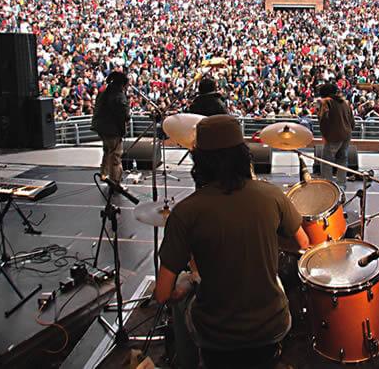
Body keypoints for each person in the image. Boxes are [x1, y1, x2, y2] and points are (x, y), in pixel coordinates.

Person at [155, 115, 310, 369]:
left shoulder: (185, 212)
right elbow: (303, 242)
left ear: (199, 160)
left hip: (216, 336)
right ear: (243, 155)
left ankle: (186, 363)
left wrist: (187, 281)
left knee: (182, 300)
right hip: (271, 327)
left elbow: (162, 294)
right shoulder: (271, 195)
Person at [91, 71, 130, 185]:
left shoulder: (104, 92)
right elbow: (125, 115)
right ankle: (115, 181)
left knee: (107, 150)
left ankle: (104, 174)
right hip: (112, 129)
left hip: (101, 127)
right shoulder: (119, 96)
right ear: (122, 84)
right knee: (115, 156)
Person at [317, 82, 355, 188]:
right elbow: (352, 120)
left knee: (326, 160)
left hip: (333, 135)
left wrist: (324, 135)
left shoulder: (326, 102)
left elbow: (323, 120)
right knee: (342, 159)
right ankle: (341, 185)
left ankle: (327, 185)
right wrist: (349, 130)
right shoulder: (345, 102)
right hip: (347, 134)